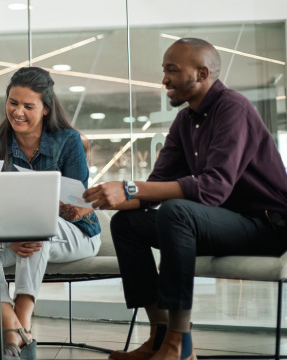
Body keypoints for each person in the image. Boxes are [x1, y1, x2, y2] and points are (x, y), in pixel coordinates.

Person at [84, 38, 287, 360]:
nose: (164, 79)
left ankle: (180, 346)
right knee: (126, 223)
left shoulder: (232, 108)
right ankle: (158, 337)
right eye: (164, 70)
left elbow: (213, 187)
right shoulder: (185, 120)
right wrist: (98, 202)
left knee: (177, 212)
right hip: (216, 223)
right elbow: (157, 186)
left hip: (265, 226)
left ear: (203, 73)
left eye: (172, 71)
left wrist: (132, 188)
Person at [0, 66, 102, 359]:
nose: (18, 112)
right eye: (13, 103)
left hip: (74, 233)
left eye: (28, 106)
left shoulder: (68, 140)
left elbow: (80, 203)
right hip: (13, 236)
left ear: (46, 109)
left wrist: (73, 208)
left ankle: (22, 318)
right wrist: (7, 237)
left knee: (36, 223)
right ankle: (9, 323)